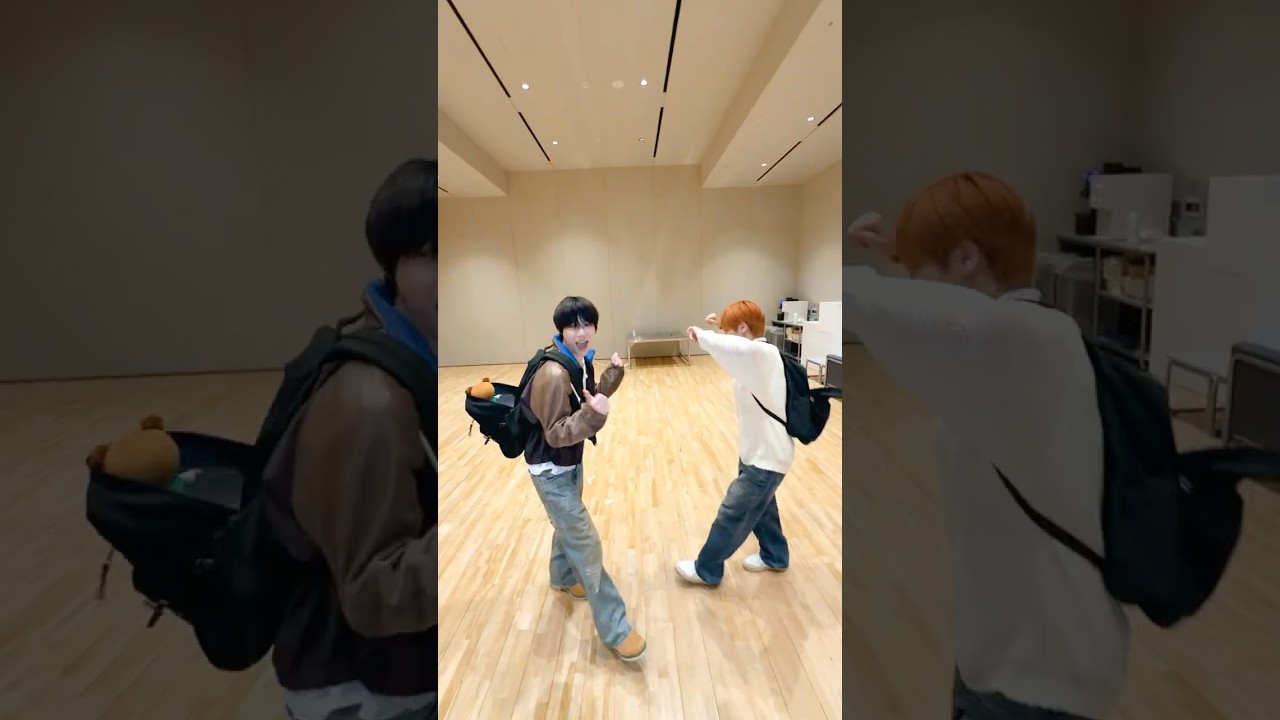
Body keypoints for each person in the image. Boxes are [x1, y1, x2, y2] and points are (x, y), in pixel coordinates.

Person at [845, 172, 1128, 720]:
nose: (911, 285)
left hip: (1042, 676)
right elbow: (934, 309)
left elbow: (900, 308)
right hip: (1006, 650)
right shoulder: (1037, 339)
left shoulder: (1018, 341)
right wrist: (906, 255)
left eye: (919, 271)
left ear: (966, 258)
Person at [262, 158, 439, 720]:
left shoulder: (412, 352)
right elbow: (372, 591)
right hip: (368, 690)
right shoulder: (369, 400)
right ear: (394, 265)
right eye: (432, 255)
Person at [520, 295, 647, 662]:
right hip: (550, 470)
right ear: (561, 330)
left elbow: (589, 398)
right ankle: (616, 628)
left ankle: (562, 577)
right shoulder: (553, 374)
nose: (581, 332)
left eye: (587, 324)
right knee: (586, 543)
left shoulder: (579, 360)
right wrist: (596, 416)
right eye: (573, 326)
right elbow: (556, 432)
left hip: (569, 463)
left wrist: (612, 376)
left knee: (567, 527)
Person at [675, 300, 793, 587]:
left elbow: (738, 348)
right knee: (764, 509)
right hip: (758, 453)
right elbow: (736, 347)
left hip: (767, 457)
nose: (726, 337)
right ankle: (775, 556)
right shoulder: (756, 357)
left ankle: (707, 570)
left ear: (742, 328)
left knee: (733, 512)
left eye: (730, 331)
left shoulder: (763, 354)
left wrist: (702, 335)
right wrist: (721, 329)